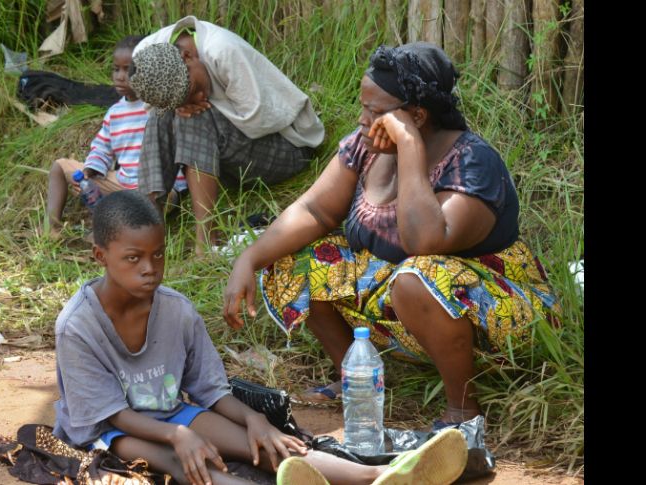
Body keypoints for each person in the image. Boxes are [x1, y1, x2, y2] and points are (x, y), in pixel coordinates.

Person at [223, 43, 561, 427]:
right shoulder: (364, 147)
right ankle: (356, 377)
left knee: (417, 277)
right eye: (363, 106)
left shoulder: (472, 162)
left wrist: (410, 148)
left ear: (416, 115)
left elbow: (426, 244)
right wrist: (248, 259)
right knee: (292, 256)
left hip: (492, 311)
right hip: (402, 297)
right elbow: (313, 210)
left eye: (377, 111)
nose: (363, 119)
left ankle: (463, 409)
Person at [52, 190, 468, 485]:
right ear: (100, 257)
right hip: (107, 430)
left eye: (158, 254)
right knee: (185, 464)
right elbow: (111, 414)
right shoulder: (78, 327)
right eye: (133, 258)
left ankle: (378, 477)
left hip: (172, 413)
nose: (150, 268)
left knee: (271, 448)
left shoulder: (176, 310)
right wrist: (179, 436)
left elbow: (211, 391)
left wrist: (255, 421)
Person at [127, 16, 325, 255]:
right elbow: (153, 107)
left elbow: (259, 118)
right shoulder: (145, 54)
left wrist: (192, 108)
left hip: (288, 147)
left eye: (194, 90)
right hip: (229, 162)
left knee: (194, 118)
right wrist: (177, 106)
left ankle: (206, 244)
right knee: (161, 118)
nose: (198, 99)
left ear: (188, 57)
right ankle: (147, 229)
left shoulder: (222, 50)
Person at [45, 35, 186, 238]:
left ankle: (112, 233)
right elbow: (102, 146)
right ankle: (52, 229)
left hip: (158, 190)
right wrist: (90, 171)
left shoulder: (159, 104)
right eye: (116, 69)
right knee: (60, 167)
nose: (120, 76)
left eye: (128, 70)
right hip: (123, 184)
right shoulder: (115, 112)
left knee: (151, 199)